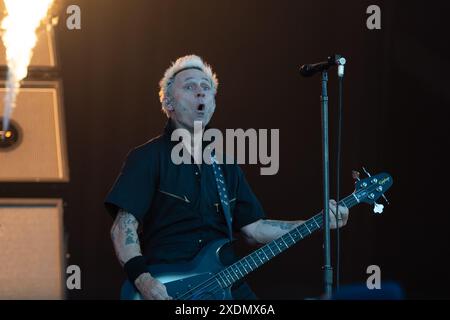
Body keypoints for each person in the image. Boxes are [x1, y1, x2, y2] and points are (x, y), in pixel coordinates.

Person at [104, 55, 349, 300]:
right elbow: (123, 227)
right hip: (168, 288)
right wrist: (143, 281)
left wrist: (318, 222)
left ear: (213, 103)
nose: (200, 92)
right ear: (168, 102)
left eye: (206, 87)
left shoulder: (225, 165)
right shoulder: (147, 157)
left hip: (225, 286)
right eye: (190, 86)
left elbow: (255, 229)